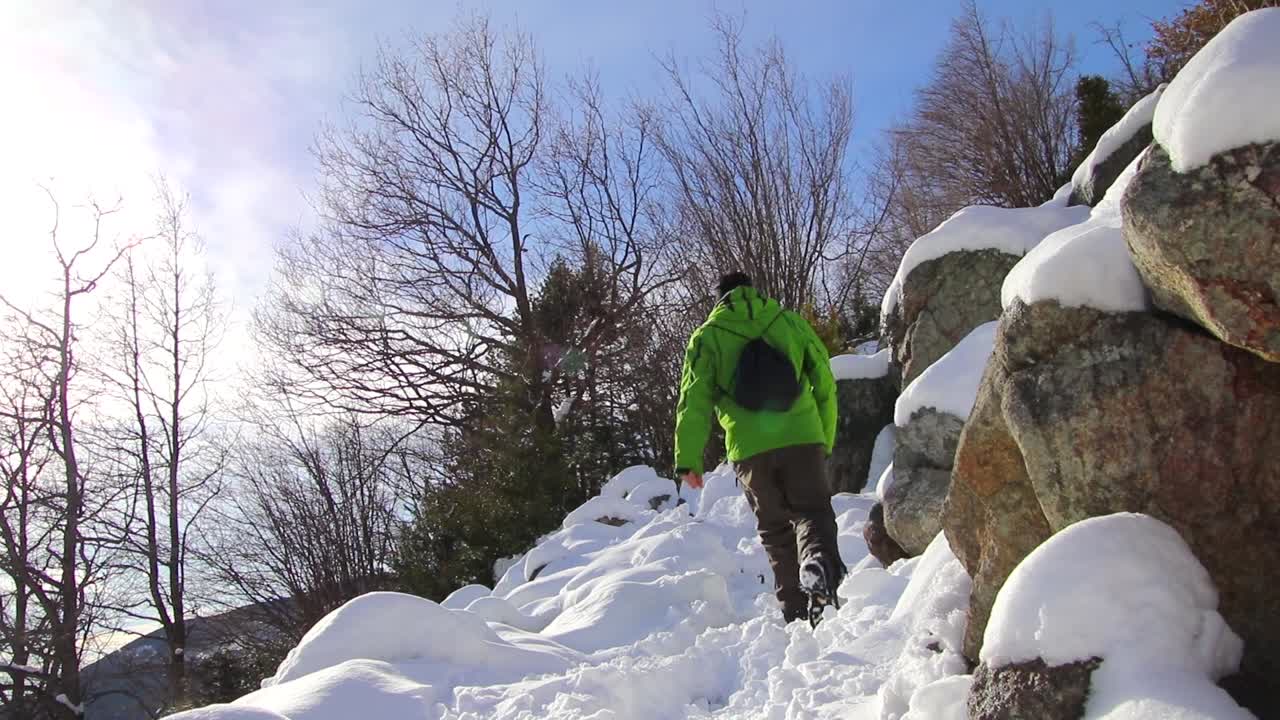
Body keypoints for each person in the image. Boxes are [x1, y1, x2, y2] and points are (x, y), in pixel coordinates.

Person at [674, 272, 844, 623]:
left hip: (750, 448)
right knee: (812, 512)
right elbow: (824, 380)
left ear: (718, 300)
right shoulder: (788, 322)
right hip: (802, 434)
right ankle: (817, 565)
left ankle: (795, 608)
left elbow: (694, 402)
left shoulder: (706, 338)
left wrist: (688, 459)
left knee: (774, 527)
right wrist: (823, 437)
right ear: (753, 290)